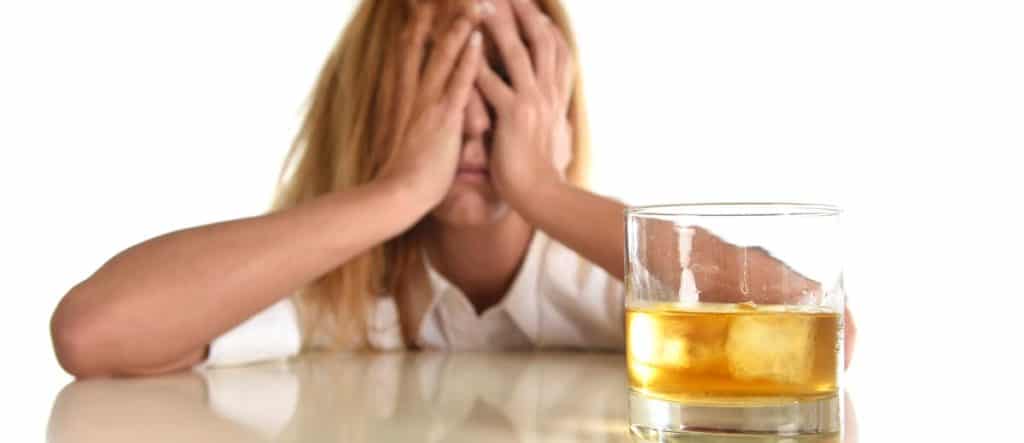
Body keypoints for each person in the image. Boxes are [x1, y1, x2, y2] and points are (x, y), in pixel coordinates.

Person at [50, 0, 856, 377]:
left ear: (558, 108)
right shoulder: (337, 286)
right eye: (439, 71)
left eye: (505, 72)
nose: (473, 119)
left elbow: (822, 334)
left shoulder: (603, 277)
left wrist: (542, 188)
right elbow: (93, 332)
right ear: (368, 100)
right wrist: (398, 191)